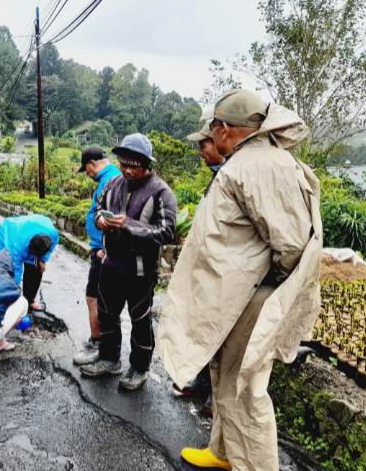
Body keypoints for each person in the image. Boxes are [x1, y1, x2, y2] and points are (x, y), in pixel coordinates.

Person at [157, 90, 323, 470]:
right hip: (235, 295)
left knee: (245, 389)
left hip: (253, 296)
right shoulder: (251, 160)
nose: (209, 137)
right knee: (223, 375)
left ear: (225, 128)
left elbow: (293, 244)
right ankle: (224, 452)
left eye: (212, 127)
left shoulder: (261, 165)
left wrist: (264, 288)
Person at [79, 134, 177, 391]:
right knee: (107, 314)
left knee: (140, 320)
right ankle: (110, 359)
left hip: (141, 270)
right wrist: (101, 221)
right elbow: (99, 209)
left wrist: (130, 225)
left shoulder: (161, 192)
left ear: (146, 163)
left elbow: (166, 231)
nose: (127, 169)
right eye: (124, 163)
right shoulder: (112, 184)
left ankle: (140, 367)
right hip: (110, 265)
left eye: (133, 165)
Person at [169, 118, 226, 414]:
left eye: (203, 144)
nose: (200, 151)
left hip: (225, 275)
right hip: (208, 270)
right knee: (205, 329)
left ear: (220, 140)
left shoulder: (233, 176)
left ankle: (219, 399)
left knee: (221, 335)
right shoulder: (218, 176)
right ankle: (203, 384)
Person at [73, 146, 120, 365]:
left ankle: (99, 346)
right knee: (98, 298)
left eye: (87, 169)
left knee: (96, 299)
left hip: (102, 250)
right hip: (101, 247)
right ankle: (101, 345)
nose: (88, 175)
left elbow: (115, 217)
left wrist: (105, 247)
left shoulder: (110, 180)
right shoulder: (109, 178)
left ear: (93, 163)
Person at [0, 214, 60, 312]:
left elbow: (53, 243)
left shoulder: (53, 234)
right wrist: (15, 300)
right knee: (7, 267)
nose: (32, 257)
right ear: (30, 246)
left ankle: (28, 301)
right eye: (32, 254)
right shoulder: (16, 246)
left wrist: (42, 260)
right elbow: (16, 272)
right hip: (7, 232)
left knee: (36, 269)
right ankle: (3, 298)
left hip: (32, 229)